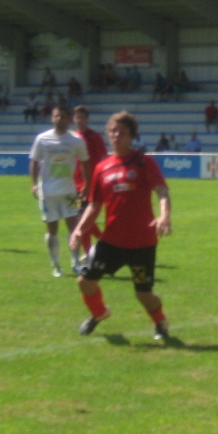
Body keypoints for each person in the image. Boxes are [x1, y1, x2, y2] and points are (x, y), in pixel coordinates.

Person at [70, 111, 173, 340]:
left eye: (122, 132)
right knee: (85, 282)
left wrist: (164, 216)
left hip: (142, 243)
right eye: (113, 131)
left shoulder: (144, 162)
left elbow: (162, 191)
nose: (116, 135)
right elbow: (94, 205)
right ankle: (99, 313)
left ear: (132, 136)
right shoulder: (102, 168)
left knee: (143, 294)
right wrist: (79, 229)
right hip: (111, 241)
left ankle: (160, 322)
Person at [29, 105, 92, 277]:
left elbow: (85, 162)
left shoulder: (76, 140)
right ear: (52, 118)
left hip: (70, 191)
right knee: (52, 228)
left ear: (69, 119)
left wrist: (87, 184)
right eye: (56, 116)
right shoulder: (42, 139)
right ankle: (55, 264)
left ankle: (75, 262)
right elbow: (34, 161)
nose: (59, 119)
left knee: (74, 226)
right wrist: (34, 184)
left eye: (63, 116)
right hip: (47, 192)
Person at [71, 104, 108, 267]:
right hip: (74, 186)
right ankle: (99, 247)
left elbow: (104, 158)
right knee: (79, 219)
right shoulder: (72, 137)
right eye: (77, 117)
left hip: (91, 185)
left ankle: (94, 249)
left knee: (82, 219)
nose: (79, 120)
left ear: (87, 119)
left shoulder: (94, 137)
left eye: (82, 117)